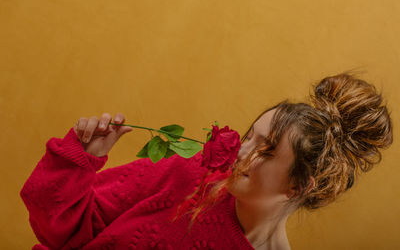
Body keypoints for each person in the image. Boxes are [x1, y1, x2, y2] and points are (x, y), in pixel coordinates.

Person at [20, 71, 393, 250]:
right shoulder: (191, 172)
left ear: (297, 185)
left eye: (265, 150)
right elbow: (61, 234)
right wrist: (80, 161)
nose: (241, 152)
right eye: (249, 136)